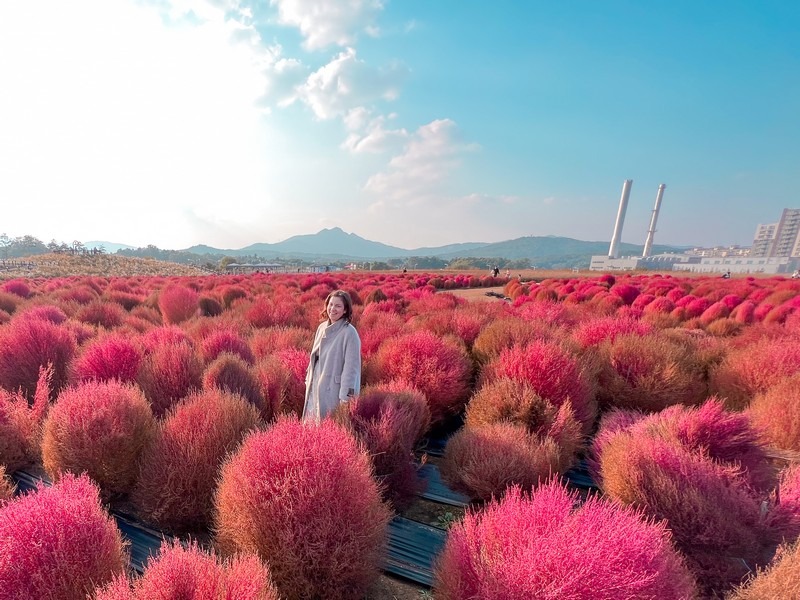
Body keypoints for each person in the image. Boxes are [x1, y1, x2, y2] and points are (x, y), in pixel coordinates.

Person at [302, 290, 361, 423]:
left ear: (345, 310)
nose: (332, 309)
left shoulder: (349, 333)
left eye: (338, 306)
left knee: (328, 426)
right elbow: (313, 358)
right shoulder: (322, 327)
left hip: (333, 390)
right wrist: (308, 379)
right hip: (315, 384)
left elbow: (351, 370)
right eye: (330, 304)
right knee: (311, 424)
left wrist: (346, 398)